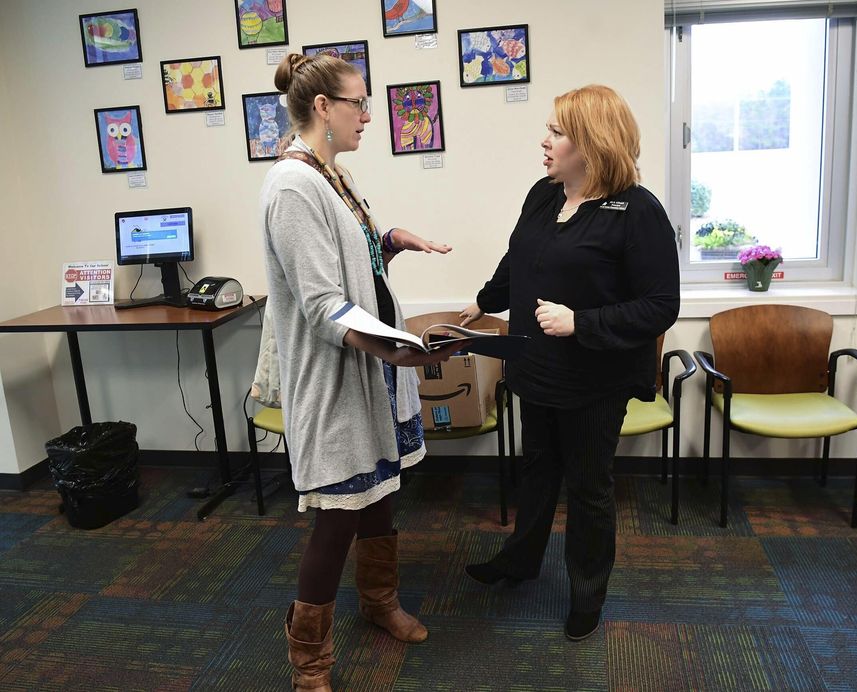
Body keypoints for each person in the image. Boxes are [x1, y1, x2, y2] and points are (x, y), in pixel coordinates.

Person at [261, 53, 461, 691]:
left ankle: (379, 603)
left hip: (372, 373)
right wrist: (400, 349)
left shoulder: (332, 176)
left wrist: (392, 240)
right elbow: (323, 303)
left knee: (383, 492)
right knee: (337, 514)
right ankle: (308, 661)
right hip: (337, 377)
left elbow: (358, 262)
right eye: (359, 103)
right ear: (323, 107)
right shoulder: (293, 187)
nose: (369, 116)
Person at [460, 84, 680, 641]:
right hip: (536, 368)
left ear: (590, 142)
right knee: (536, 471)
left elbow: (660, 305)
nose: (545, 140)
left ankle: (587, 593)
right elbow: (519, 258)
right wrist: (483, 302)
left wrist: (582, 322)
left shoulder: (637, 210)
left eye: (556, 131)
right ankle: (521, 560)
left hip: (594, 379)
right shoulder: (544, 193)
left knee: (587, 486)